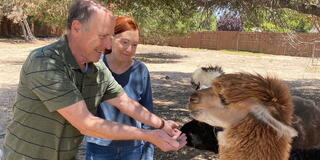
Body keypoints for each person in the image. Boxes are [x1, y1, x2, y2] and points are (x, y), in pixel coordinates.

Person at [2, 0, 187, 160]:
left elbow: (126, 103)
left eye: (111, 37)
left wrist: (163, 125)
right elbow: (87, 124)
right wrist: (149, 135)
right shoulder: (45, 62)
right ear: (77, 28)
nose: (108, 46)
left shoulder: (97, 68)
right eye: (103, 36)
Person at [85, 16, 155, 160]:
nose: (130, 49)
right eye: (125, 42)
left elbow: (148, 114)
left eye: (135, 45)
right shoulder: (95, 66)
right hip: (99, 148)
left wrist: (148, 153)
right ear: (111, 39)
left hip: (133, 149)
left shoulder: (141, 71)